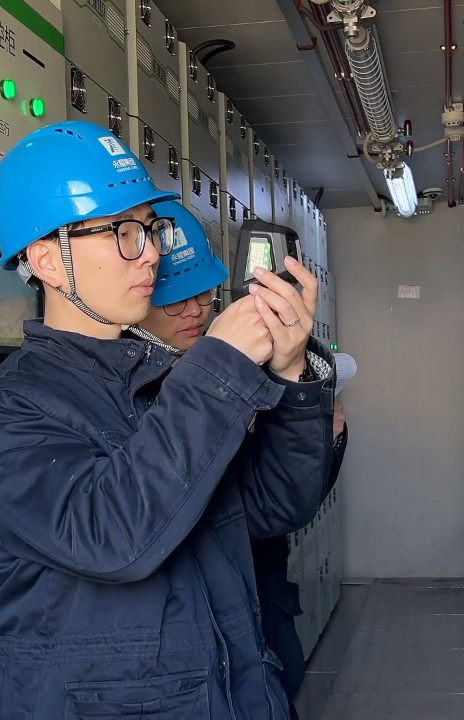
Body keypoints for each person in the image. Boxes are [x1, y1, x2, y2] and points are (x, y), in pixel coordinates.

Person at [0, 121, 336, 720]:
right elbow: (113, 538)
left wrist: (291, 375)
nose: (153, 251)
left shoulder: (162, 381)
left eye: (150, 228)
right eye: (124, 232)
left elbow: (274, 505)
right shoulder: (5, 412)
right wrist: (218, 367)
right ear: (48, 260)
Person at [133, 203, 354, 715]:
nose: (194, 310)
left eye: (203, 295)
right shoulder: (137, 394)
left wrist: (316, 423)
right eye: (175, 302)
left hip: (260, 607)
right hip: (194, 628)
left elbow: (287, 499)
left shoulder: (247, 363)